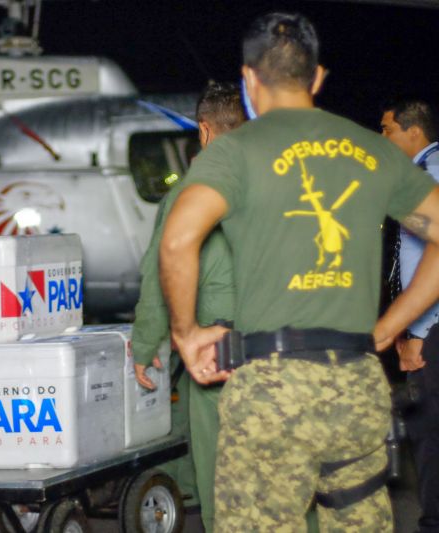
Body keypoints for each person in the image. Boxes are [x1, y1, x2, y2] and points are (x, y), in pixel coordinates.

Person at [160, 12, 439, 532]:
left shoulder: (236, 152)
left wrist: (187, 334)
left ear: (248, 79)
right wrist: (387, 327)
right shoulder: (374, 149)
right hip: (356, 383)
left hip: (271, 385)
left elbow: (178, 239)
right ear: (317, 78)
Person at [132, 82, 244, 532]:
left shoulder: (193, 191)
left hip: (220, 349)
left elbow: (163, 274)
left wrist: (146, 346)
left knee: (223, 469)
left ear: (204, 130)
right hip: (287, 343)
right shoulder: (281, 183)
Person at [381, 97, 439, 532]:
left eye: (387, 130)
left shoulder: (428, 176)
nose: (382, 138)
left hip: (431, 326)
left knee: (430, 434)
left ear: (413, 131)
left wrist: (414, 330)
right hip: (424, 322)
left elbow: (430, 262)